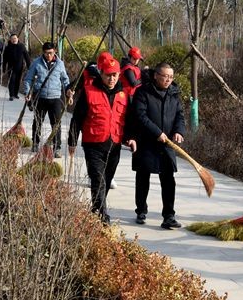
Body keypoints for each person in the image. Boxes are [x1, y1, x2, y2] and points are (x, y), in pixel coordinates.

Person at [68, 55, 136, 224]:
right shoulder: (89, 92)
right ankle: (102, 218)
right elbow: (77, 118)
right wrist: (72, 141)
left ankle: (96, 208)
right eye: (108, 75)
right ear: (101, 74)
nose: (111, 79)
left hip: (114, 145)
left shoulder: (123, 95)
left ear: (119, 75)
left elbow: (128, 120)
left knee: (106, 179)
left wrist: (130, 138)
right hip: (93, 144)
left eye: (114, 75)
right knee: (98, 180)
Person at [130, 62, 186, 229]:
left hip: (166, 144)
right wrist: (157, 133)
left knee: (168, 180)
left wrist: (179, 131)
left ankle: (169, 216)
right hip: (146, 142)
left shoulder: (174, 94)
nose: (168, 80)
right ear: (156, 75)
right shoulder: (143, 92)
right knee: (143, 177)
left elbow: (179, 115)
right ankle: (141, 210)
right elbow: (140, 116)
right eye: (165, 76)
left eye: (171, 77)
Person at [23, 42, 70, 157]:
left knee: (56, 124)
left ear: (55, 51)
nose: (48, 55)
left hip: (55, 98)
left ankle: (57, 147)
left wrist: (69, 91)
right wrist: (28, 92)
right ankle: (35, 142)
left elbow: (65, 80)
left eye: (51, 53)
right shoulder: (36, 63)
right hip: (41, 97)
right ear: (43, 53)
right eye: (46, 53)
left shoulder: (60, 64)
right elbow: (28, 79)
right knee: (38, 121)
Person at [1, 34, 30, 100]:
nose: (14, 40)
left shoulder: (21, 46)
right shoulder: (8, 48)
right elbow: (4, 59)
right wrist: (4, 68)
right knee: (12, 81)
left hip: (19, 67)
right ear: (10, 40)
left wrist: (29, 66)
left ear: (17, 39)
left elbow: (27, 56)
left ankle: (15, 94)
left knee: (17, 81)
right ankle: (11, 95)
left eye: (15, 38)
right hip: (11, 68)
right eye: (12, 39)